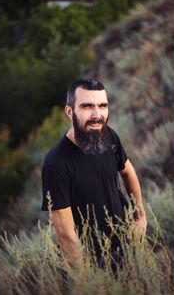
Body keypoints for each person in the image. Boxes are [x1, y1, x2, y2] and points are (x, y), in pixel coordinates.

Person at [41, 77, 147, 269]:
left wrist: (140, 216)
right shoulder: (56, 164)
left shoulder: (108, 136)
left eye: (103, 105)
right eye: (87, 106)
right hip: (91, 261)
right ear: (69, 111)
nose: (97, 114)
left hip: (126, 245)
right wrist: (88, 282)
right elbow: (66, 237)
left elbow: (128, 171)